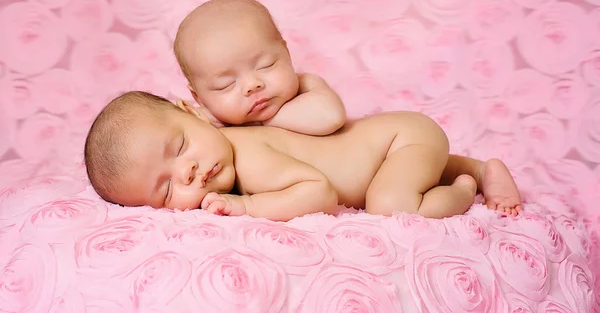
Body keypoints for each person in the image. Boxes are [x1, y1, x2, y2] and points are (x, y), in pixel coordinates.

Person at [83, 91, 523, 221]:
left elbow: (321, 191)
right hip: (396, 142)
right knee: (396, 176)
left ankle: (465, 189)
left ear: (192, 110)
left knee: (390, 204)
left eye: (179, 147)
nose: (189, 171)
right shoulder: (231, 152)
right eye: (167, 189)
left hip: (399, 141)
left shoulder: (249, 156)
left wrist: (247, 205)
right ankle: (481, 166)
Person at [173, 0, 346, 136]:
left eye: (266, 65)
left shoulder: (307, 86)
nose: (252, 85)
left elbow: (330, 117)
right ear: (198, 97)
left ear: (287, 54)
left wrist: (257, 123)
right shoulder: (208, 124)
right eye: (226, 84)